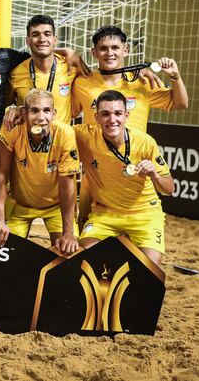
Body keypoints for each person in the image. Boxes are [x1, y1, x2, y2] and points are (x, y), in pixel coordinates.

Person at [73, 90, 174, 266]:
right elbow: (52, 126)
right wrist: (20, 111)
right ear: (96, 117)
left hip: (144, 214)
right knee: (87, 260)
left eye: (118, 113)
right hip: (105, 213)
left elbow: (169, 189)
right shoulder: (85, 136)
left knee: (149, 271)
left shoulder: (145, 142)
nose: (112, 120)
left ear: (126, 115)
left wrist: (155, 175)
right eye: (105, 114)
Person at [0, 89, 80, 254]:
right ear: (24, 113)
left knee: (68, 253)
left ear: (54, 113)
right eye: (34, 111)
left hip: (55, 207)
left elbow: (67, 184)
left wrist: (68, 233)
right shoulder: (12, 129)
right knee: (4, 252)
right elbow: (0, 173)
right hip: (20, 205)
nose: (41, 118)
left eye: (46, 111)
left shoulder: (65, 133)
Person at [71, 24, 188, 133]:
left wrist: (175, 77)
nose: (109, 53)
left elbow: (180, 104)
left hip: (134, 154)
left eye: (115, 48)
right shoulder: (81, 83)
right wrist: (66, 51)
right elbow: (67, 111)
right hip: (96, 154)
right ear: (94, 52)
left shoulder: (143, 81)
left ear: (126, 50)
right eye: (103, 48)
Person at [8, 15, 79, 124]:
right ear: (27, 41)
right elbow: (4, 107)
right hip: (28, 139)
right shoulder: (15, 74)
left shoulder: (71, 67)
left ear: (55, 39)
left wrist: (70, 52)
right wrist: (12, 110)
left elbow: (93, 81)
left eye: (47, 34)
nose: (42, 39)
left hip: (62, 139)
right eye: (36, 35)